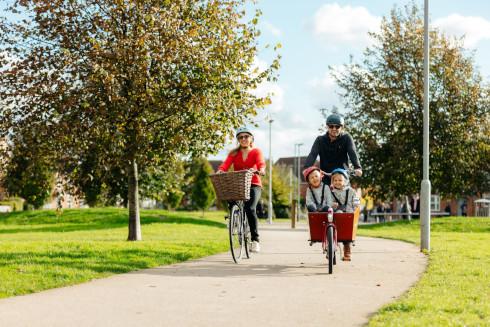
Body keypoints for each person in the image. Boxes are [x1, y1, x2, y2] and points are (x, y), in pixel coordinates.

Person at [217, 127, 266, 252]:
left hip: (254, 183)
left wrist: (261, 170)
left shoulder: (256, 152)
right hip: (238, 183)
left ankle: (255, 240)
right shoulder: (233, 153)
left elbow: (261, 163)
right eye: (240, 137)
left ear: (251, 138)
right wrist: (221, 170)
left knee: (250, 208)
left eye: (246, 136)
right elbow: (226, 164)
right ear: (238, 140)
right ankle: (234, 219)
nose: (243, 139)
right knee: (230, 197)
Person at [304, 113, 362, 185]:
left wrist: (357, 167)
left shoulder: (347, 138)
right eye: (331, 126)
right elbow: (313, 154)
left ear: (342, 127)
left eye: (337, 127)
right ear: (327, 127)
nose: (334, 129)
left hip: (341, 176)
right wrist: (306, 168)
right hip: (325, 175)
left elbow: (352, 152)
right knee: (321, 193)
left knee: (346, 194)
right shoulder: (320, 140)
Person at [329, 168, 360, 261]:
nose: (337, 182)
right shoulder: (331, 192)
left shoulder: (351, 191)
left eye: (340, 180)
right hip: (337, 215)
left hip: (349, 214)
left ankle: (347, 252)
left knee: (347, 236)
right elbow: (327, 202)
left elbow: (356, 200)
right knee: (336, 217)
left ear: (345, 181)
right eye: (335, 180)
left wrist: (356, 203)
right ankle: (330, 249)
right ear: (332, 181)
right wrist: (331, 204)